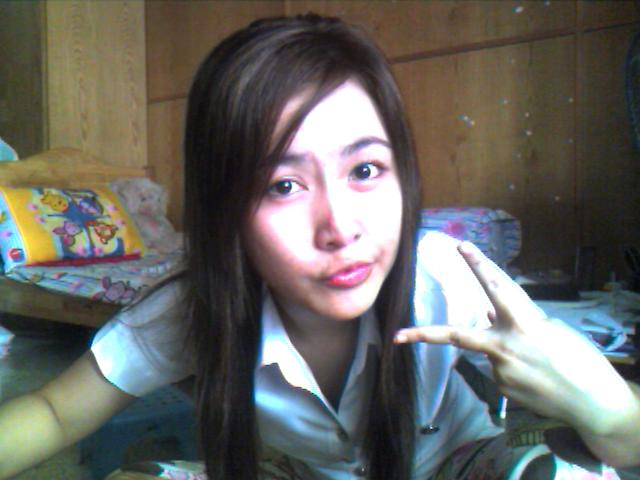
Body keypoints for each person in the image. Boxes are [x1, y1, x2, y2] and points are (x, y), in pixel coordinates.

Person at [1, 13, 639, 480]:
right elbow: (55, 412)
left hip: (458, 465)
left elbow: (625, 441)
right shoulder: (194, 310)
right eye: (283, 185)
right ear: (224, 210)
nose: (340, 227)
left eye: (365, 170)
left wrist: (608, 414)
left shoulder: (444, 278)